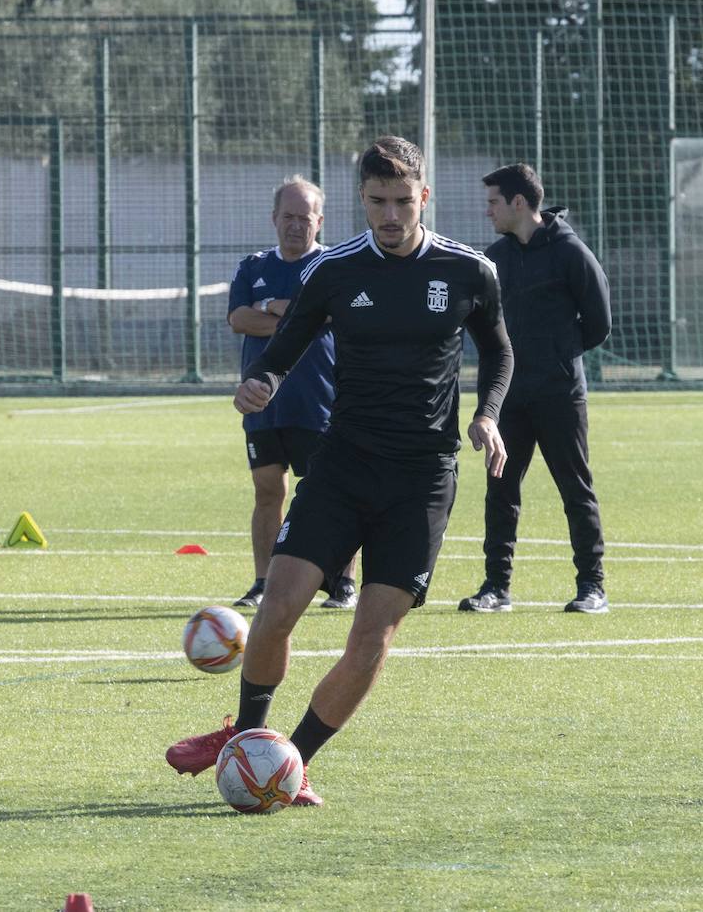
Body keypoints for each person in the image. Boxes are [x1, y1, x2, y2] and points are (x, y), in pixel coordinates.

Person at [166, 136, 513, 805]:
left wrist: (489, 415)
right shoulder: (334, 271)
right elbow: (283, 346)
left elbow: (499, 352)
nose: (390, 215)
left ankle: (290, 763)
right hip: (343, 464)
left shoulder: (468, 270)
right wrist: (259, 383)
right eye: (377, 202)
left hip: (422, 479)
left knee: (371, 637)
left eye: (402, 201)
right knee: (275, 612)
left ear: (424, 197)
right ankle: (248, 739)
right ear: (361, 199)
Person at [458, 163, 611, 615]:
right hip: (510, 399)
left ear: (518, 203)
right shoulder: (494, 260)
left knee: (575, 488)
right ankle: (495, 588)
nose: (488, 211)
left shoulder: (570, 252)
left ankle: (592, 587)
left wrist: (555, 357)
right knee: (499, 487)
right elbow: (486, 337)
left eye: (493, 202)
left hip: (560, 394)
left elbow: (599, 324)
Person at [227, 176, 357, 612]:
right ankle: (263, 581)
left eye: (305, 218)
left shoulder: (333, 266)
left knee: (333, 492)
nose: (296, 226)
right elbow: (239, 320)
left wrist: (283, 314)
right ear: (274, 219)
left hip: (319, 399)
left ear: (319, 221)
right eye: (289, 217)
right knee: (267, 490)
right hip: (263, 400)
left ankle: (342, 580)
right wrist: (279, 311)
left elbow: (324, 322)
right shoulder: (253, 266)